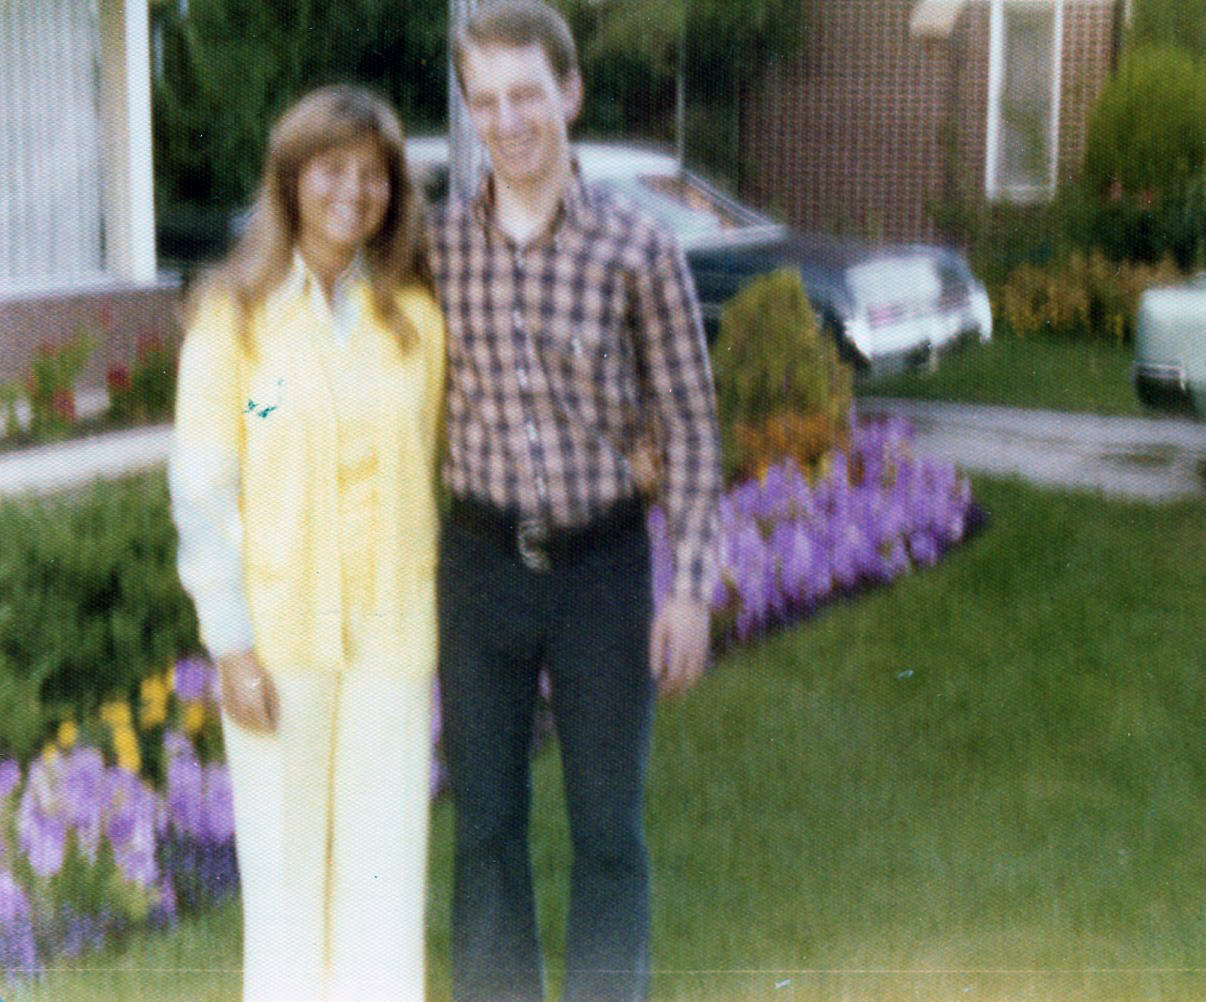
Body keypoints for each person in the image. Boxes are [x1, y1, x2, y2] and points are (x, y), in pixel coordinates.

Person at [428, 3, 724, 999]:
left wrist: (690, 588)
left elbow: (689, 424)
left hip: (601, 572)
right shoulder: (438, 249)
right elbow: (336, 368)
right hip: (480, 570)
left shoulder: (639, 249)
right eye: (485, 102)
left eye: (527, 95)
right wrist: (245, 382)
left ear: (570, 94)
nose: (507, 121)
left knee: (607, 833)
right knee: (484, 832)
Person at [169, 85, 444, 1002]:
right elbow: (208, 482)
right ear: (289, 181)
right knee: (288, 892)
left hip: (391, 641)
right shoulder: (239, 321)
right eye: (332, 168)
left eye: (374, 173)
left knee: (383, 884)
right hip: (280, 643)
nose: (353, 190)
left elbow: (437, 453)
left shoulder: (414, 322)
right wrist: (231, 643)